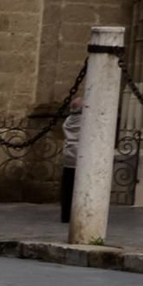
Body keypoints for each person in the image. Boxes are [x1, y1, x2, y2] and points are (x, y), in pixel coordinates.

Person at [60, 89, 82, 227]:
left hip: (69, 157)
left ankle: (66, 214)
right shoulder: (84, 121)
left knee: (67, 188)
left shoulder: (68, 121)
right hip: (81, 158)